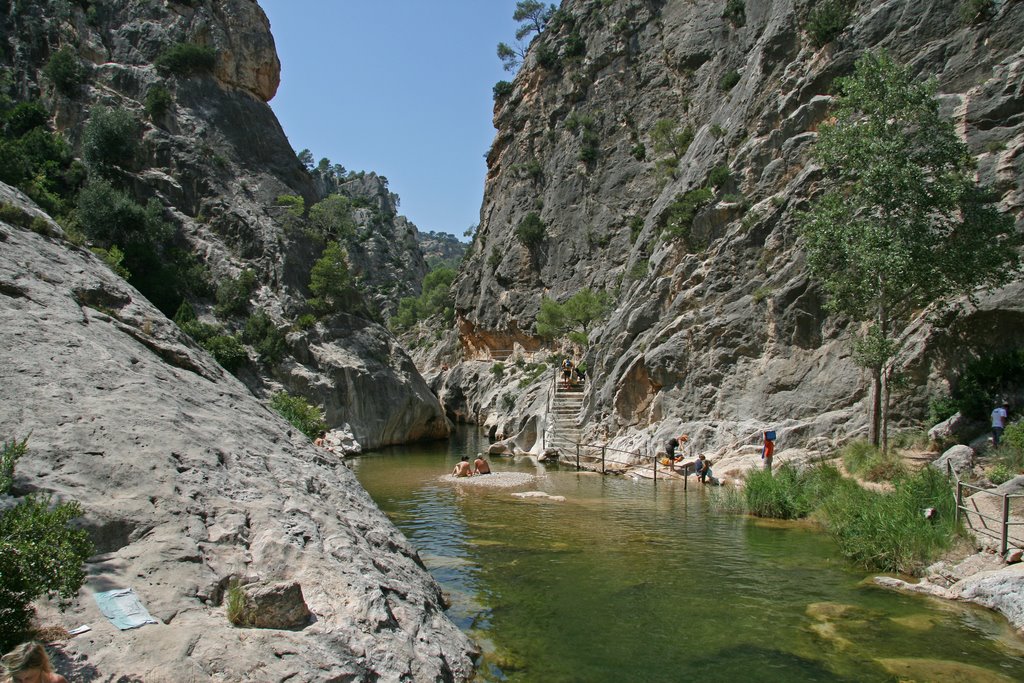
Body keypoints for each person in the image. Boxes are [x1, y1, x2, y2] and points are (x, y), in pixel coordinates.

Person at [1, 641, 67, 683]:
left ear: (41, 667)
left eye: (28, 678)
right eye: (18, 679)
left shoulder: (57, 681)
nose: (23, 682)